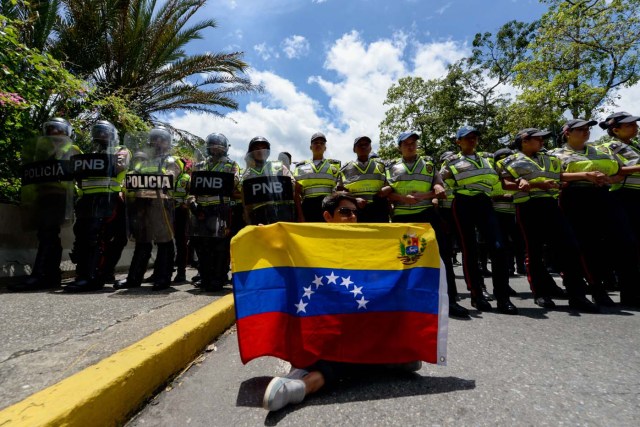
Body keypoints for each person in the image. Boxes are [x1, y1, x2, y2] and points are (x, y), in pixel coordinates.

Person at [262, 192, 422, 412]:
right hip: (328, 323)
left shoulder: (367, 242)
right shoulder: (311, 242)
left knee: (400, 356)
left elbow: (392, 268)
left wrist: (419, 242)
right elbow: (284, 257)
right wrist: (264, 239)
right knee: (344, 353)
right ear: (328, 216)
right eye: (345, 212)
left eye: (355, 213)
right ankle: (304, 384)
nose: (352, 217)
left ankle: (304, 379)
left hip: (360, 320)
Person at [499, 128, 599, 312]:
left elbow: (560, 176)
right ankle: (541, 294)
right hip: (528, 207)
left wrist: (584, 175)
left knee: (570, 248)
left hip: (552, 206)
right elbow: (505, 183)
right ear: (524, 140)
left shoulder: (550, 158)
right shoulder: (509, 161)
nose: (542, 142)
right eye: (538, 139)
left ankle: (577, 295)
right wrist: (531, 184)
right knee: (534, 251)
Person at [549, 119, 640, 307]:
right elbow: (553, 175)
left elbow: (619, 170)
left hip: (602, 195)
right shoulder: (555, 154)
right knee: (578, 246)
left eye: (587, 129)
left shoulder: (601, 151)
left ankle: (626, 292)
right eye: (580, 129)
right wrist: (583, 175)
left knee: (614, 244)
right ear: (567, 133)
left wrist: (609, 178)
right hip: (574, 197)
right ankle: (583, 291)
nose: (586, 132)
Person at [383, 131, 469, 318]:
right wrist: (402, 198)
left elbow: (439, 186)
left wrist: (433, 191)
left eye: (413, 143)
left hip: (427, 216)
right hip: (402, 219)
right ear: (399, 147)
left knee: (442, 256)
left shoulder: (429, 164)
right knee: (404, 259)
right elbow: (386, 194)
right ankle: (404, 301)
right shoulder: (390, 167)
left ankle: (450, 300)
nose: (410, 146)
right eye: (406, 143)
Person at [440, 126, 517, 314]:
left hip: (485, 203)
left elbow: (504, 177)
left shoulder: (489, 159)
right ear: (458, 141)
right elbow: (440, 181)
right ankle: (477, 295)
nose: (471, 140)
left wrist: (520, 182)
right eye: (466, 138)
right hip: (463, 203)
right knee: (470, 250)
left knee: (499, 248)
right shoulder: (451, 162)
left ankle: (502, 297)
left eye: (474, 137)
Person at [10, 118, 81, 292]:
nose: (54, 133)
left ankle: (40, 275)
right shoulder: (42, 150)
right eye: (51, 129)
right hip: (43, 195)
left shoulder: (71, 148)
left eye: (58, 130)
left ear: (66, 132)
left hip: (59, 195)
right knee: (47, 234)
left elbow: (74, 172)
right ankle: (51, 275)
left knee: (48, 234)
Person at [65, 120, 131, 292]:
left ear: (112, 135)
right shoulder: (87, 153)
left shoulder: (120, 150)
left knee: (99, 236)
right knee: (83, 236)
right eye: (98, 132)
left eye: (105, 133)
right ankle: (91, 273)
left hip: (109, 199)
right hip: (87, 199)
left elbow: (120, 166)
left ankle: (92, 277)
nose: (101, 136)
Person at [115, 125, 181, 291]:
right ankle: (134, 278)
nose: (157, 142)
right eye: (154, 138)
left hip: (161, 203)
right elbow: (131, 177)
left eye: (161, 139)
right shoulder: (144, 161)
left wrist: (158, 179)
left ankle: (163, 278)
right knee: (142, 242)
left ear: (168, 142)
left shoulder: (171, 160)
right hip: (141, 204)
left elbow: (171, 176)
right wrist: (126, 184)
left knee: (164, 241)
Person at [188, 133, 240, 291]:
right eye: (213, 146)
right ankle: (205, 278)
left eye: (219, 146)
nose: (216, 149)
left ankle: (218, 279)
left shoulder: (231, 165)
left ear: (225, 148)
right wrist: (192, 203)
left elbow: (236, 183)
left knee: (220, 247)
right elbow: (190, 188)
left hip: (221, 210)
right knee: (202, 246)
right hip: (201, 210)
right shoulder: (199, 166)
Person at [598, 112, 640, 244]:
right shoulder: (608, 147)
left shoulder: (636, 146)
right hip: (625, 195)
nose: (636, 126)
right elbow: (614, 170)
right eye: (630, 124)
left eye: (635, 123)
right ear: (616, 130)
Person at [241, 136, 296, 225]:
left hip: (281, 212)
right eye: (256, 149)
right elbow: (245, 199)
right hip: (258, 214)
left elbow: (293, 185)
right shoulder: (247, 173)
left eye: (263, 148)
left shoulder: (278, 166)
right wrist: (247, 217)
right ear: (251, 152)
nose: (260, 151)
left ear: (268, 151)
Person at [337, 136, 389, 223]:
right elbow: (339, 192)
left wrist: (387, 189)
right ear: (354, 149)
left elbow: (390, 185)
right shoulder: (345, 169)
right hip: (356, 211)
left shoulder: (381, 166)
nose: (363, 146)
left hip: (379, 211)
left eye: (366, 144)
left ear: (370, 148)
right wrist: (354, 199)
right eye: (360, 145)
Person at [293, 132, 341, 222]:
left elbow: (339, 190)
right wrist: (300, 215)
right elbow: (297, 194)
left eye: (322, 143)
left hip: (328, 205)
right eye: (315, 142)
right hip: (308, 207)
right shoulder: (301, 166)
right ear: (310, 147)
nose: (318, 144)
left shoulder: (334, 165)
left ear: (325, 148)